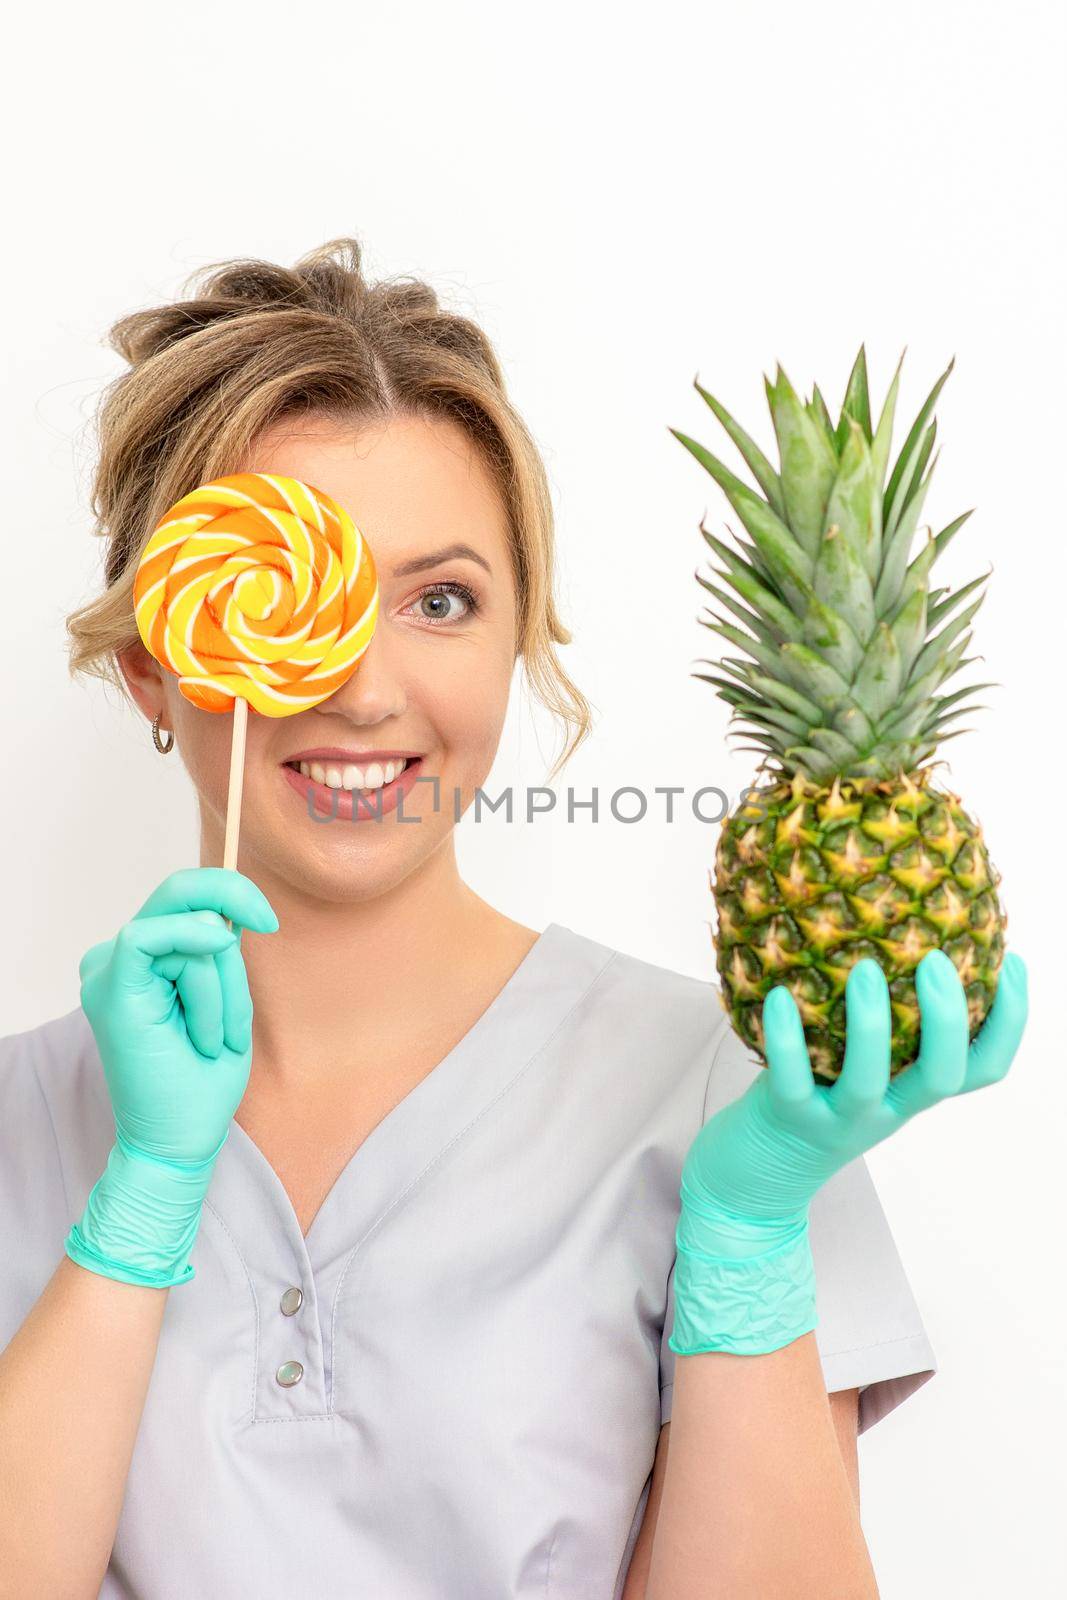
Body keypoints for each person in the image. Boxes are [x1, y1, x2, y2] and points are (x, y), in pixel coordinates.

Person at [0, 238, 1027, 1599]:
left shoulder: (735, 1093)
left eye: (441, 600)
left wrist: (748, 1238)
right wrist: (137, 1211)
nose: (366, 692)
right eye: (282, 603)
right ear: (153, 663)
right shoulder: (21, 1122)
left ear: (517, 636)